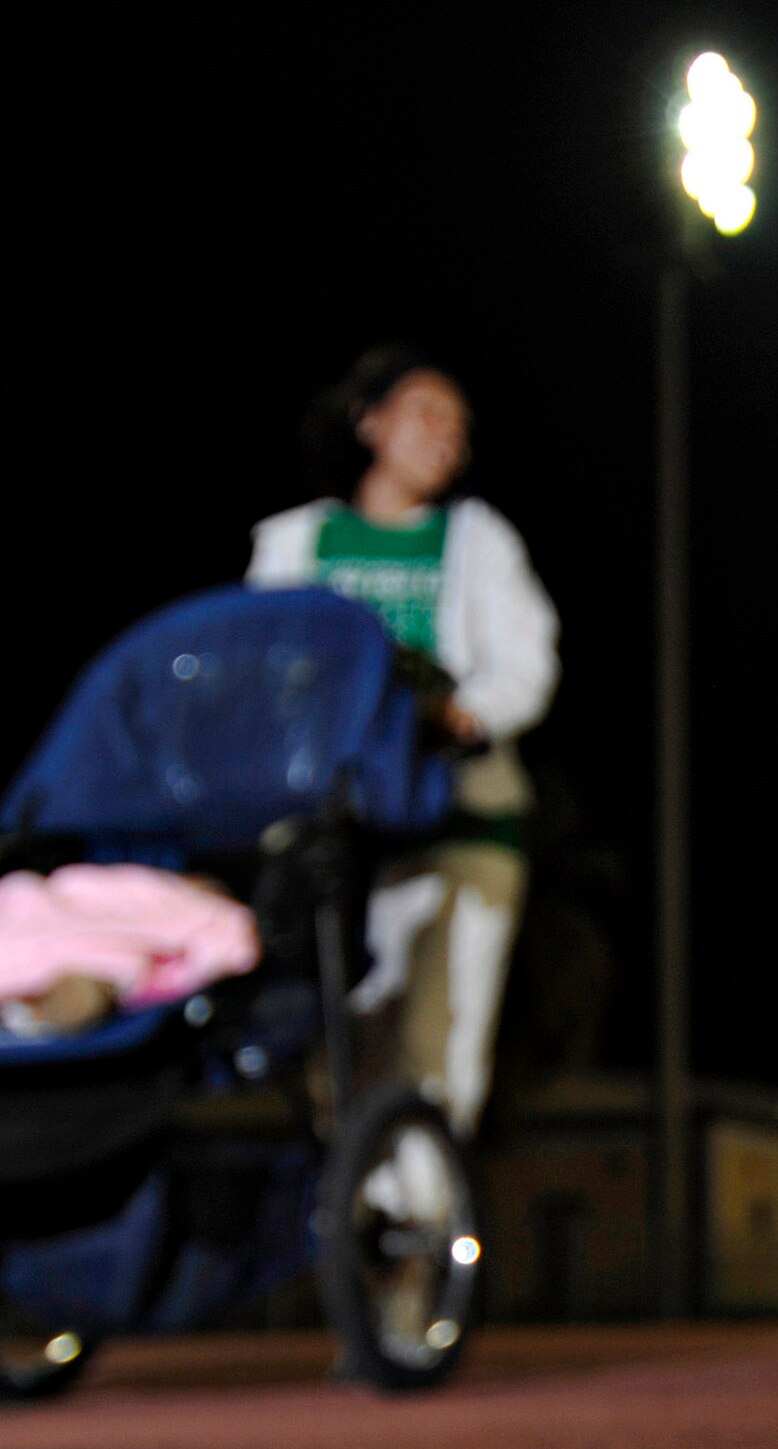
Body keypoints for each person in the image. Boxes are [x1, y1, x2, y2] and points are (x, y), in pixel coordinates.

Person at [247, 347, 559, 1137]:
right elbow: (262, 660)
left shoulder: (477, 538)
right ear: (370, 421)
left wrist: (462, 712)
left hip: (458, 812)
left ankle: (421, 1240)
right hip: (340, 823)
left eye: (459, 425)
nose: (445, 434)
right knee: (343, 1040)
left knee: (439, 1040)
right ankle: (348, 1233)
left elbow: (526, 662)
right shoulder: (296, 542)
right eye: (426, 411)